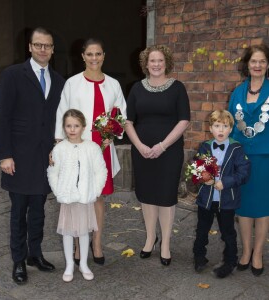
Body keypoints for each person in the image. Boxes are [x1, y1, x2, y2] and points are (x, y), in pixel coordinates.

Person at [0, 27, 65, 284]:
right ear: (30, 47)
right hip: (19, 157)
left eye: (47, 45)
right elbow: (1, 117)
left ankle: (35, 254)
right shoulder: (13, 75)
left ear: (53, 49)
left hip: (46, 158)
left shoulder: (59, 80)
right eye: (38, 45)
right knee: (18, 211)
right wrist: (5, 155)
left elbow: (59, 118)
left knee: (39, 210)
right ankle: (18, 260)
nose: (43, 50)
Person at [54, 38, 126, 265]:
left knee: (97, 197)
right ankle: (77, 246)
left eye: (98, 54)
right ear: (83, 56)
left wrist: (112, 135)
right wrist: (58, 146)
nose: (94, 58)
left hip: (101, 149)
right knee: (77, 198)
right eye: (90, 54)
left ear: (104, 55)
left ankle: (96, 243)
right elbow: (62, 114)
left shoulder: (113, 84)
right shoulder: (72, 84)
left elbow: (120, 115)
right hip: (77, 148)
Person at [125, 45, 190, 266]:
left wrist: (162, 146)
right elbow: (128, 121)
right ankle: (150, 238)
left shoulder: (178, 88)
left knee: (165, 196)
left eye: (160, 60)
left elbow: (184, 120)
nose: (156, 64)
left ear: (167, 63)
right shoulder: (136, 88)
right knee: (147, 195)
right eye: (152, 61)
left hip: (169, 151)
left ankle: (165, 244)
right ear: (146, 63)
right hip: (142, 151)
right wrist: (140, 145)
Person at [48, 109, 107, 282]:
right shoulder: (59, 149)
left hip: (85, 198)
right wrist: (58, 191)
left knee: (83, 232)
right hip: (67, 197)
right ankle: (69, 265)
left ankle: (83, 264)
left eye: (76, 126)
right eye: (68, 126)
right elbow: (53, 172)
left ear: (83, 127)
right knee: (67, 232)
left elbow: (100, 171)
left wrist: (94, 191)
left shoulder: (92, 148)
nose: (72, 129)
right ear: (64, 127)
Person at [193, 110, 250, 278]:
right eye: (217, 126)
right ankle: (199, 256)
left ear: (231, 129)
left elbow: (244, 172)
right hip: (206, 199)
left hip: (227, 200)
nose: (221, 130)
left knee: (228, 233)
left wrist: (225, 182)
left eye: (225, 126)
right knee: (202, 229)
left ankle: (230, 261)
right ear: (210, 128)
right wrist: (204, 178)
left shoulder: (237, 148)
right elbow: (197, 168)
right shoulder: (205, 146)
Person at [228, 44, 269, 276]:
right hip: (241, 157)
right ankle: (245, 251)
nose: (257, 65)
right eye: (254, 61)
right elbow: (232, 124)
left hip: (266, 157)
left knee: (263, 207)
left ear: (267, 65)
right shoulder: (237, 92)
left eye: (262, 61)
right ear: (247, 65)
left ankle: (258, 253)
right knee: (242, 207)